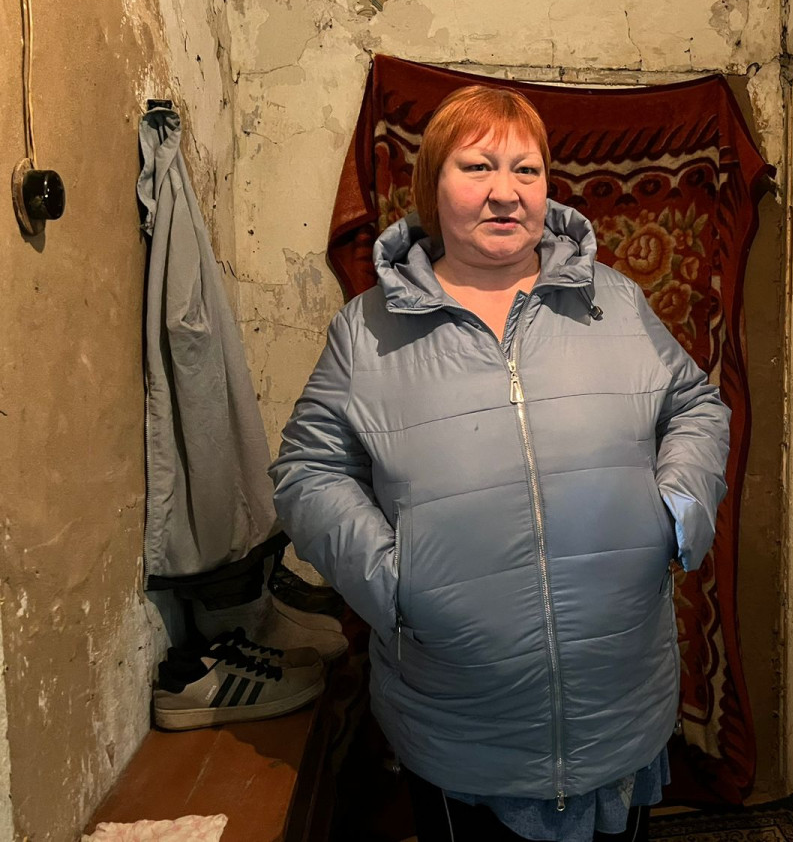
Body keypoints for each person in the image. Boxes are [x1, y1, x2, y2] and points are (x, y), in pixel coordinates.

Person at [269, 85, 730, 841]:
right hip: (460, 720)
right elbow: (307, 471)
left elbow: (695, 406)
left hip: (618, 703)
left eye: (527, 169)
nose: (506, 192)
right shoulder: (366, 330)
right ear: (432, 185)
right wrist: (394, 580)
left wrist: (677, 510)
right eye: (478, 166)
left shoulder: (615, 302)